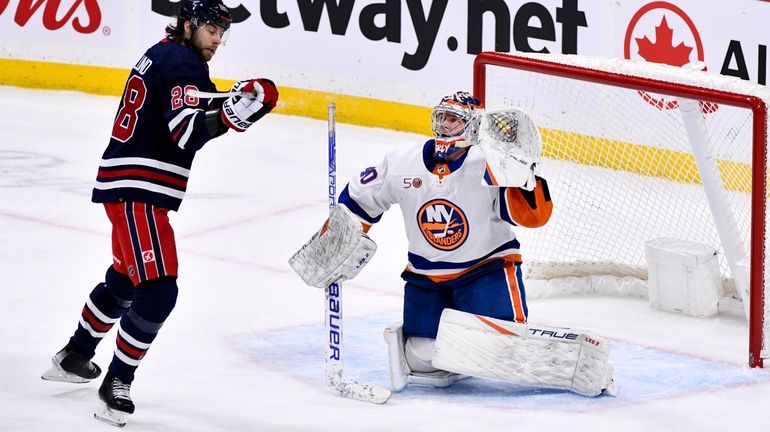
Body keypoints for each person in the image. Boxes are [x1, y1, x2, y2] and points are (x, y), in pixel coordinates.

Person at [40, 0, 279, 426]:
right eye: (211, 29)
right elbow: (186, 130)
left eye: (223, 32)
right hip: (140, 191)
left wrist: (233, 100)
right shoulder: (182, 61)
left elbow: (183, 106)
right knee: (158, 291)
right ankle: (116, 383)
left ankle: (75, 355)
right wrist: (236, 112)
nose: (218, 40)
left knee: (126, 280)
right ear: (188, 25)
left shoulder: (162, 53)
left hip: (126, 184)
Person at [290, 92, 615, 397]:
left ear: (472, 125)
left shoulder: (489, 164)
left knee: (504, 350)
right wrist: (333, 245)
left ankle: (515, 353)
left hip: (485, 272)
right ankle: (460, 347)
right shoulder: (401, 162)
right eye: (441, 117)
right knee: (420, 360)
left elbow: (533, 217)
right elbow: (358, 202)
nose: (444, 125)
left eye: (454, 119)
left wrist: (525, 175)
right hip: (426, 277)